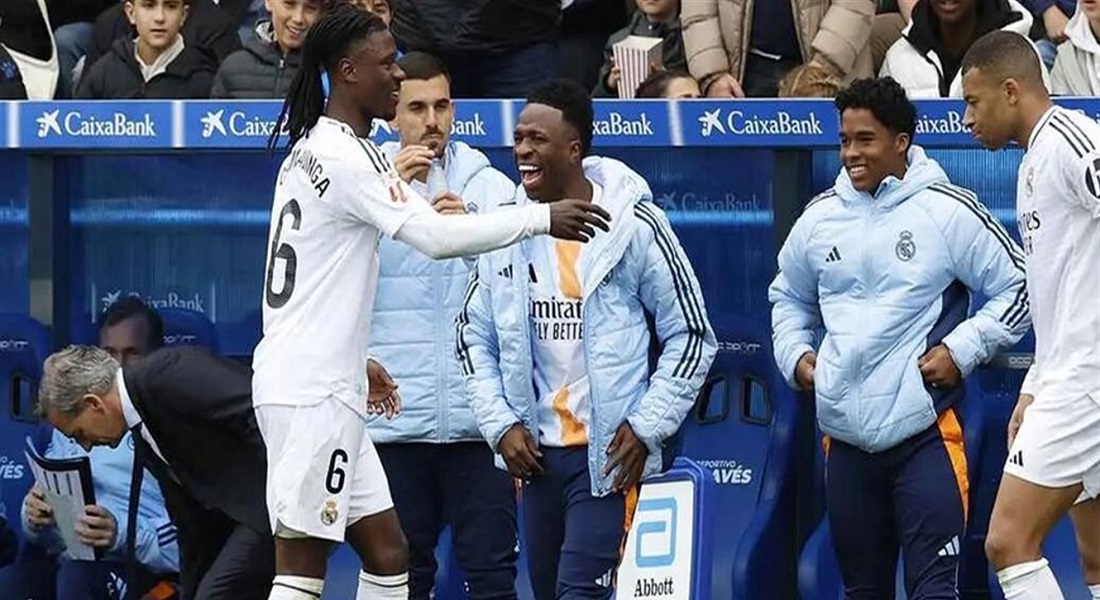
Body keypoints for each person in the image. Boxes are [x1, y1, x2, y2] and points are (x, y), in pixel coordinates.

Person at [253, 6, 611, 600]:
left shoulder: (314, 148)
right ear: (347, 72)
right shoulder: (346, 158)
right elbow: (437, 237)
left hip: (323, 380)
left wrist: (353, 359)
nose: (397, 75)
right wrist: (541, 217)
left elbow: (314, 277)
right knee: (299, 569)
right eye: (386, 64)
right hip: (312, 395)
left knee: (389, 554)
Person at [769, 76, 1031, 598]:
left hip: (927, 436)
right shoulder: (820, 218)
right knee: (863, 591)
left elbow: (1022, 286)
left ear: (901, 142)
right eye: (845, 140)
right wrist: (795, 355)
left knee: (934, 591)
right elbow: (788, 297)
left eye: (865, 139)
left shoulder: (945, 209)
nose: (851, 153)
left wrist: (962, 349)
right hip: (845, 442)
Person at [456, 79, 716, 600]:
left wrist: (646, 427)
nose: (523, 150)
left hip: (605, 460)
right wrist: (501, 424)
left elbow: (692, 335)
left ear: (574, 149)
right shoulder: (507, 229)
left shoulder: (634, 225)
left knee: (580, 592)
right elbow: (472, 337)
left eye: (538, 139)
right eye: (519, 138)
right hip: (534, 458)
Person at [368, 50, 520, 600]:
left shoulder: (490, 188)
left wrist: (472, 238)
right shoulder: (364, 185)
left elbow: (522, 289)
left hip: (479, 426)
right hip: (395, 425)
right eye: (417, 108)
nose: (432, 121)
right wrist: (388, 195)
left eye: (442, 106)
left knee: (492, 578)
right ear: (392, 113)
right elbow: (333, 274)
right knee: (402, 579)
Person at [960, 30, 1100, 600]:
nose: (967, 118)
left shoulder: (1071, 140)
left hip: (1087, 384)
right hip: (1066, 377)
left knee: (1007, 541)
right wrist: (1034, 386)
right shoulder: (1031, 164)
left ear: (1011, 91)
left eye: (974, 102)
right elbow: (1057, 294)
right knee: (1096, 557)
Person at [35, 344, 274, 600]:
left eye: (80, 434)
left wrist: (281, 496)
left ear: (93, 403)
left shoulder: (167, 373)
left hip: (269, 506)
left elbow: (262, 412)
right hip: (232, 522)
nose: (86, 446)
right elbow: (189, 524)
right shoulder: (141, 421)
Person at [20, 298, 180, 600]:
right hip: (70, 559)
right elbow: (48, 537)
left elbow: (193, 545)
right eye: (109, 354)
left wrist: (121, 535)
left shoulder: (171, 426)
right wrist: (34, 518)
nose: (118, 366)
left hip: (142, 568)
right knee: (12, 582)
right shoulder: (72, 416)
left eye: (132, 354)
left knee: (77, 578)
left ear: (156, 356)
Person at [76, 0, 217, 99]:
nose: (159, 17)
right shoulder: (104, 72)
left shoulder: (203, 78)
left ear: (183, 15)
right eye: (149, 5)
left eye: (171, 6)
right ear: (131, 13)